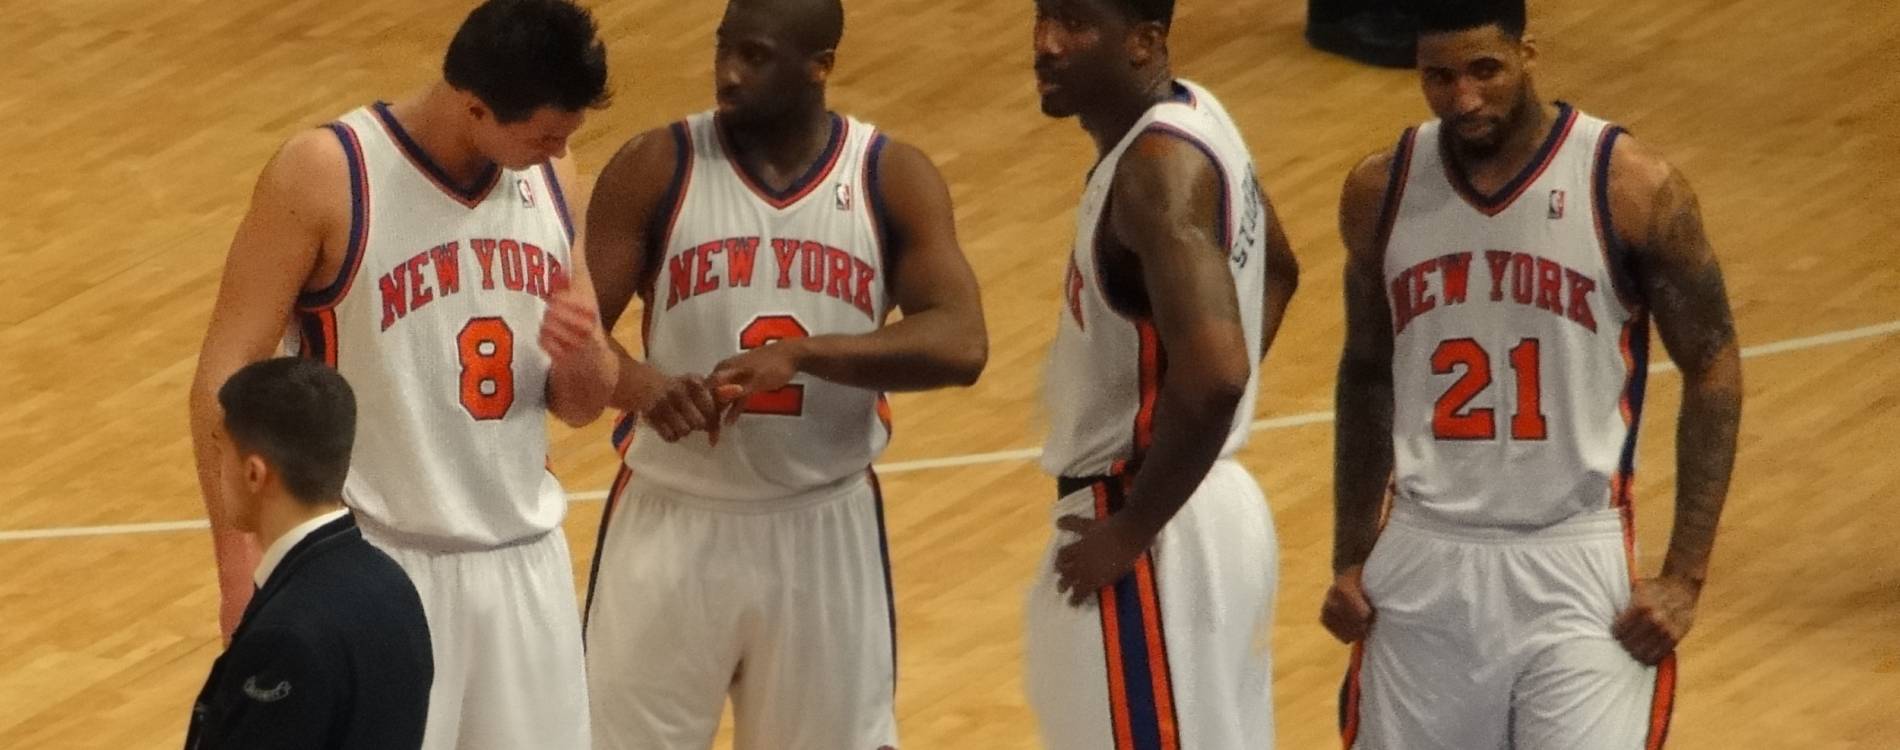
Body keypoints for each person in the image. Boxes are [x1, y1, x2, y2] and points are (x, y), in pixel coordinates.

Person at [186, 1, 629, 747]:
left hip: (523, 565)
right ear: (475, 105)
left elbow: (581, 404)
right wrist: (240, 574)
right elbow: (223, 377)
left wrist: (584, 349)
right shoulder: (328, 173)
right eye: (545, 133)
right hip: (376, 569)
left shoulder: (554, 173)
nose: (558, 148)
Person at [1322, 1, 1743, 748]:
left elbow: (1713, 368)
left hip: (1573, 555)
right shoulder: (1380, 190)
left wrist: (1683, 577)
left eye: (1484, 69)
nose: (1464, 98)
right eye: (1438, 77)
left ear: (1528, 54)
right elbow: (1365, 373)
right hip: (1424, 553)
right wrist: (1351, 555)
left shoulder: (1629, 185)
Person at [578, 0, 988, 747]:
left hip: (823, 524)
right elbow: (570, 340)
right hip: (673, 519)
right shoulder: (654, 167)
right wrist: (644, 388)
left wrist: (805, 354)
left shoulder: (888, 177)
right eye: (723, 51)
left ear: (821, 64)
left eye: (757, 57)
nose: (729, 75)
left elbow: (963, 344)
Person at [1025, 0, 1301, 747]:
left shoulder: (1156, 171)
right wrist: (1199, 423)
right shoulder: (1200, 113)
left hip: (1153, 526)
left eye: (1076, 24)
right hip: (1204, 502)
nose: (1046, 44)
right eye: (1043, 17)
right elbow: (1277, 268)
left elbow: (1215, 377)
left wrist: (1135, 525)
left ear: (1145, 43)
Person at [186, 357, 432, 750]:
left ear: (254, 473)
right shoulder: (393, 583)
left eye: (221, 450)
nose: (217, 470)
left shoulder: (286, 637)